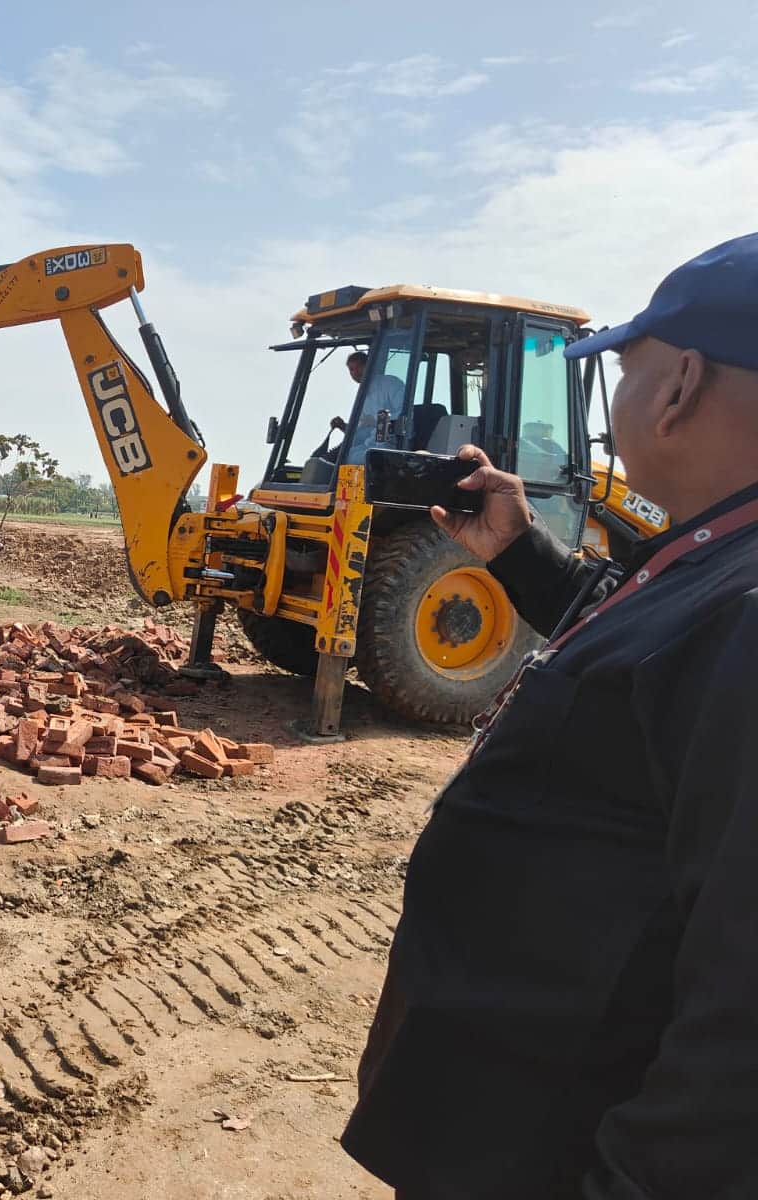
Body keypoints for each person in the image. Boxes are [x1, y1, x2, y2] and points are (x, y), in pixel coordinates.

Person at [342, 233, 758, 1198]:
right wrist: (519, 550)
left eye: (625, 364)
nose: (615, 401)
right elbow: (640, 657)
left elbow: (740, 1020)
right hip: (508, 1124)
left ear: (681, 383)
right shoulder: (708, 564)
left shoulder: (747, 609)